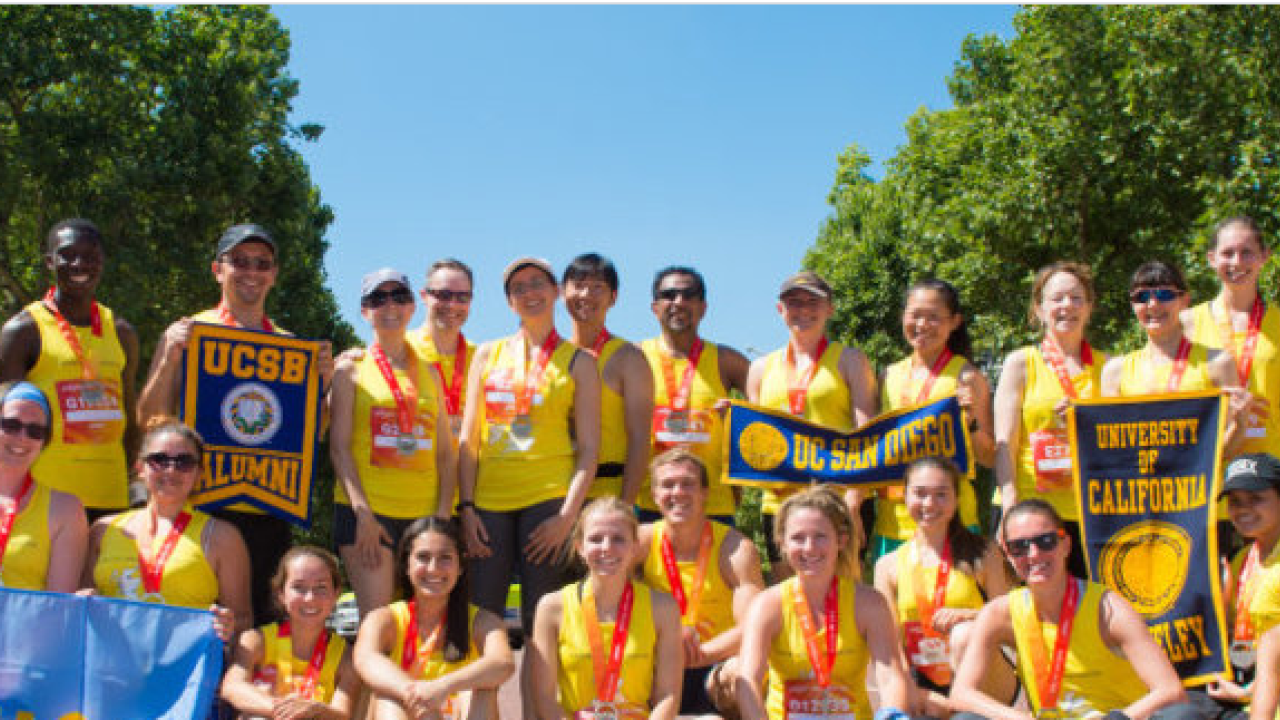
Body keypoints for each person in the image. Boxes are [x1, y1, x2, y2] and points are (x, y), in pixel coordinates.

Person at [136, 223, 334, 625]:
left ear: (274, 274)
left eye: (262, 263)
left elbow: (310, 437)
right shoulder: (189, 333)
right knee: (194, 617)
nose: (251, 271)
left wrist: (325, 387)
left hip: (268, 505)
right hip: (201, 506)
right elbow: (148, 420)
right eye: (239, 261)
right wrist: (171, 358)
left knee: (256, 626)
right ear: (217, 269)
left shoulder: (290, 345)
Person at [455, 257, 600, 705]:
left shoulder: (579, 361)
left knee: (543, 624)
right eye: (519, 287)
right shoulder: (486, 354)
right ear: (509, 301)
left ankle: (542, 713)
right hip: (490, 505)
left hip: (548, 503)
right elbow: (469, 439)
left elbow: (589, 452)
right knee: (484, 620)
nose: (530, 292)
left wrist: (566, 517)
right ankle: (482, 712)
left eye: (539, 283)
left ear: (556, 292)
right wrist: (467, 508)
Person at [949, 499, 1195, 720]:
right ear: (1008, 555)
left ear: (1065, 544)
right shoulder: (1001, 613)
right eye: (1019, 547)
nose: (1033, 554)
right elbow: (961, 694)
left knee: (1184, 716)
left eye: (1046, 541)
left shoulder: (1108, 608)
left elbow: (1171, 692)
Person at [329, 268, 457, 616]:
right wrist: (363, 514)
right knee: (381, 623)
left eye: (399, 297)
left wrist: (443, 516)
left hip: (424, 514)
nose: (389, 305)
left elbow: (446, 453)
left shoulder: (430, 372)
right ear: (364, 310)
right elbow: (338, 448)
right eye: (377, 298)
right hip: (370, 515)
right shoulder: (350, 370)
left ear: (412, 307)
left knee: (423, 622)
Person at [0, 219, 139, 519]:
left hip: (110, 498)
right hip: (44, 500)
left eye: (90, 256)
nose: (80, 264)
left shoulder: (122, 331)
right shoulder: (23, 330)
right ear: (50, 261)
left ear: (102, 262)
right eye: (68, 255)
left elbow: (130, 413)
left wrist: (136, 483)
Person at [736, 485, 912, 720]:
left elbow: (890, 675)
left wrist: (892, 715)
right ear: (782, 544)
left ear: (841, 540)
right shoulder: (767, 604)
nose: (809, 548)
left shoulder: (869, 604)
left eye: (820, 536)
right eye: (798, 538)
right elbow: (747, 679)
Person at [746, 270, 877, 574]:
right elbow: (755, 443)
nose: (803, 310)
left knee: (845, 596)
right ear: (780, 310)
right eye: (794, 302)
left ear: (829, 308)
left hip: (840, 498)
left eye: (812, 302)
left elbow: (867, 434)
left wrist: (855, 499)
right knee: (789, 596)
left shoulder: (851, 360)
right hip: (779, 501)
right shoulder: (760, 368)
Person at [84, 417, 251, 640]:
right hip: (110, 665)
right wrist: (82, 599)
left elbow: (243, 620)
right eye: (159, 460)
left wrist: (228, 626)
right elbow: (80, 602)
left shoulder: (223, 537)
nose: (171, 470)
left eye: (184, 462)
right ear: (140, 468)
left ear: (199, 474)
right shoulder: (103, 529)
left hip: (183, 671)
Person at [873, 457, 1012, 717]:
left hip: (984, 679)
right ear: (904, 497)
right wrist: (912, 691)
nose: (929, 504)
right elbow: (889, 644)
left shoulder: (982, 553)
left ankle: (970, 707)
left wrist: (969, 616)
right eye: (920, 494)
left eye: (941, 494)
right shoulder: (887, 565)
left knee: (964, 635)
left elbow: (1008, 621)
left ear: (957, 499)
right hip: (924, 678)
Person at [993, 261, 1106, 577]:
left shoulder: (1109, 367)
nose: (1066, 306)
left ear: (1089, 307)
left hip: (1088, 513)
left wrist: (1087, 421)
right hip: (1029, 510)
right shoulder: (1021, 363)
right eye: (1057, 299)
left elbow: (1116, 443)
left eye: (1076, 298)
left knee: (1085, 610)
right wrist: (1009, 507)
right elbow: (1005, 442)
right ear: (1039, 309)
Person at [870, 278, 995, 562]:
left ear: (954, 322)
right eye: (915, 315)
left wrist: (972, 422)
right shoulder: (888, 376)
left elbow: (988, 458)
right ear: (903, 317)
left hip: (954, 525)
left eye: (934, 317)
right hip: (893, 524)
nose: (923, 324)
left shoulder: (968, 376)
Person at [636, 447, 766, 717]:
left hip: (713, 666)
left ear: (705, 493)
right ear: (654, 495)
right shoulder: (639, 543)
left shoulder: (735, 549)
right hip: (655, 667)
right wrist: (665, 656)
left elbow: (754, 627)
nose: (678, 492)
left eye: (688, 484)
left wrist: (700, 654)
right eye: (668, 485)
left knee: (740, 672)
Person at [530, 498, 683, 719]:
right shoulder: (552, 607)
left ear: (635, 546)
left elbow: (668, 695)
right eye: (595, 539)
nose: (606, 548)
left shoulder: (663, 608)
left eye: (618, 539)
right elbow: (544, 698)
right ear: (579, 548)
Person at [355, 517, 515, 720]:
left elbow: (503, 663)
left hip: (458, 713)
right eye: (423, 557)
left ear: (460, 567)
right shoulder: (384, 619)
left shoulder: (483, 621)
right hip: (407, 712)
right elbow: (366, 659)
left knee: (481, 691)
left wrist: (442, 687)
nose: (433, 568)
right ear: (406, 565)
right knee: (388, 698)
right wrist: (417, 696)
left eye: (445, 558)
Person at [638, 266, 749, 525]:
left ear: (703, 307)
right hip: (649, 502)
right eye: (669, 294)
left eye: (689, 295)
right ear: (655, 307)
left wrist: (739, 416)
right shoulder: (635, 357)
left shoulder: (727, 360)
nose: (679, 302)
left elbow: (771, 415)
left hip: (714, 504)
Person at [1102, 260, 1249, 434]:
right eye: (1142, 297)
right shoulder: (1115, 371)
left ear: (1185, 300)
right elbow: (1111, 447)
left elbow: (1224, 448)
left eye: (1164, 295)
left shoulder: (1217, 363)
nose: (1153, 304)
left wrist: (1239, 425)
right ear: (1133, 305)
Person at [221, 546, 360, 718]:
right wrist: (288, 711)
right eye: (299, 587)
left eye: (321, 587)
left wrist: (313, 710)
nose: (310, 598)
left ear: (336, 593)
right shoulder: (256, 640)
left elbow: (343, 714)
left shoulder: (346, 656)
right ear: (281, 594)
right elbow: (232, 687)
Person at [1184, 217, 1280, 460]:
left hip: (1269, 470)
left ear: (1264, 256)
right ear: (1211, 259)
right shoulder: (1186, 324)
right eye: (1227, 253)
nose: (1237, 262)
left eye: (1247, 252)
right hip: (1207, 466)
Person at [562, 253, 654, 504]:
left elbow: (639, 439)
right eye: (578, 286)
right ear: (562, 292)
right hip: (554, 493)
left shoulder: (629, 357)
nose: (586, 295)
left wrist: (625, 505)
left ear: (613, 297)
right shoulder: (554, 356)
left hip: (607, 494)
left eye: (597, 287)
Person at [1197, 454, 1280, 720]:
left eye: (1256, 499)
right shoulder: (1242, 559)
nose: (1243, 509)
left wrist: (1250, 691)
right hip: (1247, 693)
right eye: (1235, 502)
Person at [0, 380, 87, 592]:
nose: (22, 438)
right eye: (11, 425)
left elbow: (57, 607)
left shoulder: (65, 510)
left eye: (35, 431)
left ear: (44, 441)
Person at [409, 258, 476, 441]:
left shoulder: (483, 359)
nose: (452, 305)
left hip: (465, 468)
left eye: (462, 297)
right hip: (414, 466)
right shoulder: (398, 350)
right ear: (424, 296)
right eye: (444, 295)